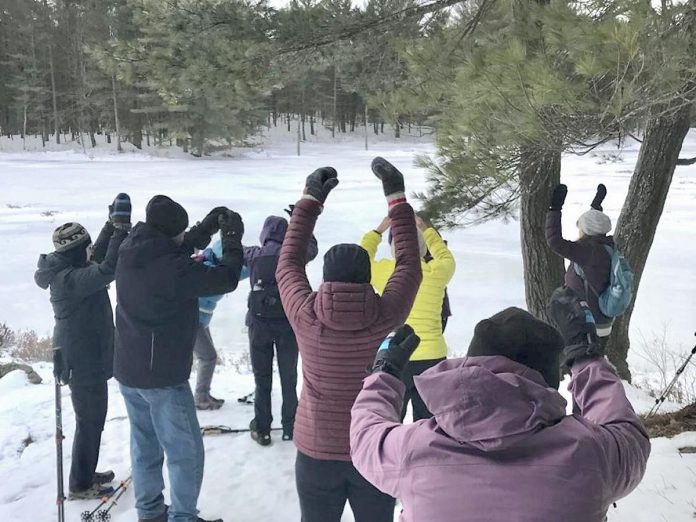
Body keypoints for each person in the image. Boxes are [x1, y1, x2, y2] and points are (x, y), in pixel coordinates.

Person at [350, 302, 651, 522]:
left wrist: (385, 372)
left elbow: (364, 436)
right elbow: (628, 435)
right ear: (550, 381)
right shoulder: (592, 453)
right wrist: (587, 358)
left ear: (468, 366)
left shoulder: (412, 450)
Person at [276, 158, 422, 522]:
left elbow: (288, 264)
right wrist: (396, 198)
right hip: (373, 449)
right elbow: (408, 264)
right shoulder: (387, 314)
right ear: (368, 276)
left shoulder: (306, 315)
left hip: (315, 451)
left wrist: (310, 200)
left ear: (324, 278)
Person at [113, 196, 245, 522]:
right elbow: (226, 278)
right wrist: (231, 240)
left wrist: (206, 227)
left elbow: (174, 248)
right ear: (170, 234)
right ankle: (183, 517)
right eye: (181, 233)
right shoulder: (171, 268)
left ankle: (150, 511)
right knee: (186, 452)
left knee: (145, 446)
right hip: (161, 376)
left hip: (130, 368)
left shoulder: (133, 246)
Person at [34, 193, 131, 500]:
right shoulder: (68, 279)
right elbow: (106, 269)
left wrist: (108, 227)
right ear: (76, 250)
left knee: (92, 420)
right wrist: (120, 230)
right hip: (82, 360)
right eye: (86, 246)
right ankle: (79, 484)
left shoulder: (70, 265)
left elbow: (96, 257)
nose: (90, 250)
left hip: (86, 355)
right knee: (90, 420)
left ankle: (85, 472)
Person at [360, 213, 455, 421]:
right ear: (423, 248)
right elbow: (446, 257)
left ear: (394, 247)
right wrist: (426, 230)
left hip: (395, 355)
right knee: (430, 424)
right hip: (432, 357)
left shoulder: (385, 272)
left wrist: (377, 231)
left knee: (390, 421)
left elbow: (362, 257)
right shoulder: (436, 271)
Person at [244, 213, 318, 445]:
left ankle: (263, 428)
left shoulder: (254, 255)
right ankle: (290, 427)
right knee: (289, 378)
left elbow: (232, 251)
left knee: (261, 378)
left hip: (258, 326)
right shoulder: (293, 256)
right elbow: (312, 249)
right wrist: (304, 223)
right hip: (288, 326)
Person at [546, 183, 615, 339]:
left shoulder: (587, 252)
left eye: (581, 228)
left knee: (577, 360)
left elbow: (554, 241)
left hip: (587, 322)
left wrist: (554, 209)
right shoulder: (607, 246)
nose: (579, 231)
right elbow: (595, 227)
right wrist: (595, 207)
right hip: (602, 319)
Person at [193, 240, 249, 411]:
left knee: (208, 356)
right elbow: (237, 275)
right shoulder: (211, 272)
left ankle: (203, 394)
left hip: (201, 319)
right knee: (207, 357)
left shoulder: (214, 266)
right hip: (191, 319)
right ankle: (200, 397)